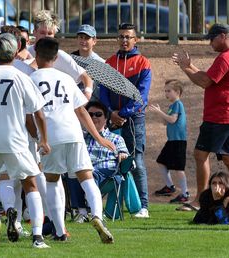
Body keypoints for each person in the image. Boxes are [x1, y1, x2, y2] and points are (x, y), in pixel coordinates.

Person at [0, 33, 51, 248]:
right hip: (15, 139)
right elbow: (38, 113)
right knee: (30, 184)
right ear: (15, 52)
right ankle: (37, 237)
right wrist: (43, 139)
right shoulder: (22, 77)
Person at [30, 37, 114, 243]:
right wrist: (98, 137)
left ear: (36, 56)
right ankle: (97, 215)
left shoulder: (30, 79)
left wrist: (37, 138)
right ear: (56, 57)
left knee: (52, 180)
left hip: (50, 135)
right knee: (86, 177)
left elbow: (29, 114)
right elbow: (81, 111)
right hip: (73, 133)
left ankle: (60, 230)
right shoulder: (66, 78)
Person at [172, 23, 229, 211]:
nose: (210, 44)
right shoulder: (224, 57)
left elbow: (204, 82)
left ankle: (200, 201)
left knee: (200, 154)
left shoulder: (225, 58)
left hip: (219, 117)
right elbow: (208, 77)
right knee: (227, 159)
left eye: (212, 39)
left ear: (222, 36)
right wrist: (190, 66)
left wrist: (184, 68)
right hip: (223, 116)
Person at [100, 23, 152, 218]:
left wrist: (122, 113)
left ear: (135, 40)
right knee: (111, 161)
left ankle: (143, 206)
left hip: (133, 119)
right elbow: (103, 92)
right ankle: (113, 207)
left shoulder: (143, 63)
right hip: (113, 117)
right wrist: (111, 112)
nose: (124, 40)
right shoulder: (109, 62)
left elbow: (142, 97)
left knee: (135, 160)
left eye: (128, 37)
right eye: (121, 36)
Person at [67, 101, 129, 223]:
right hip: (85, 169)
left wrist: (123, 154)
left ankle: (92, 211)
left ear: (106, 119)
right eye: (90, 115)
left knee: (89, 175)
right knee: (73, 173)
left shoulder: (116, 138)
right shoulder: (81, 137)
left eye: (98, 114)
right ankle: (83, 212)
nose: (94, 117)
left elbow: (125, 153)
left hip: (107, 174)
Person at [28, 10, 94, 100]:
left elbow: (86, 77)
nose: (46, 37)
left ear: (54, 34)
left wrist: (86, 97)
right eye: (42, 33)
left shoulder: (60, 55)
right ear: (34, 32)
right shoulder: (26, 53)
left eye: (50, 33)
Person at [150, 79, 190, 204]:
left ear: (177, 92)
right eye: (165, 91)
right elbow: (165, 122)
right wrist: (160, 114)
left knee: (179, 168)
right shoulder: (172, 106)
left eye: (169, 91)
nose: (166, 93)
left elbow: (172, 120)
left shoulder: (178, 104)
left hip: (178, 141)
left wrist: (159, 112)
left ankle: (184, 193)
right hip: (172, 141)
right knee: (161, 161)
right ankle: (170, 187)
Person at [71, 24, 105, 101]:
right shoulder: (70, 60)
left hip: (93, 105)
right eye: (81, 37)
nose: (83, 41)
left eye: (87, 38)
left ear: (94, 41)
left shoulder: (101, 63)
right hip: (74, 103)